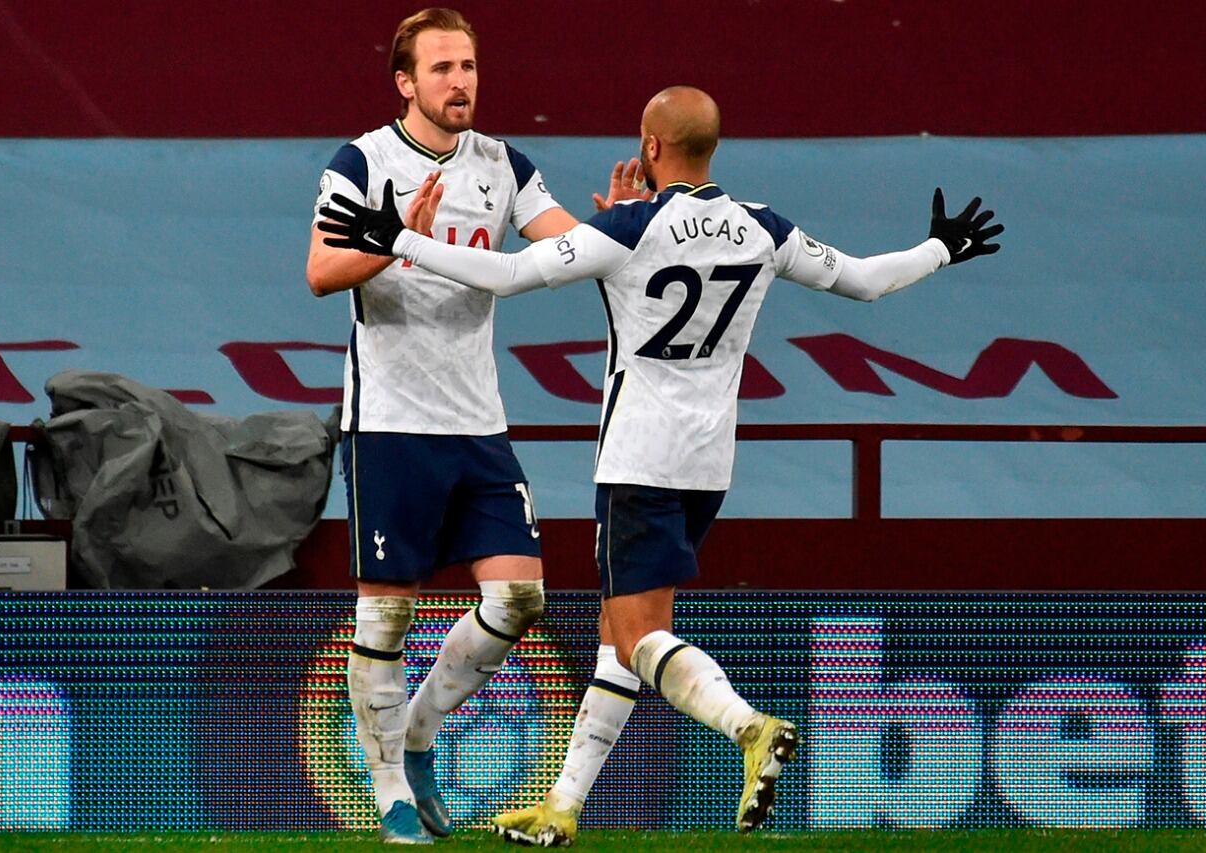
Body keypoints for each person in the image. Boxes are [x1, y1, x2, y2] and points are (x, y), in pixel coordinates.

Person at [318, 85, 1003, 845]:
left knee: (640, 635)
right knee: (620, 637)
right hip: (710, 463)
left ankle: (748, 725)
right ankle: (563, 806)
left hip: (640, 455)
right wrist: (942, 246)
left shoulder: (631, 226)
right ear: (713, 147)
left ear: (649, 148)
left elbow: (509, 275)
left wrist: (403, 241)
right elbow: (868, 280)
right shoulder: (760, 227)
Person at [305, 7, 648, 846]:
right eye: (443, 68)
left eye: (470, 65)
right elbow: (321, 272)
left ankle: (417, 735)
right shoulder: (364, 161)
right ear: (406, 82)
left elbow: (562, 247)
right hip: (390, 422)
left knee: (520, 595)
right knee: (386, 616)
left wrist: (623, 228)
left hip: (477, 422)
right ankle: (387, 789)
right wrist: (399, 242)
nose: (461, 80)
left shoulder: (502, 163)